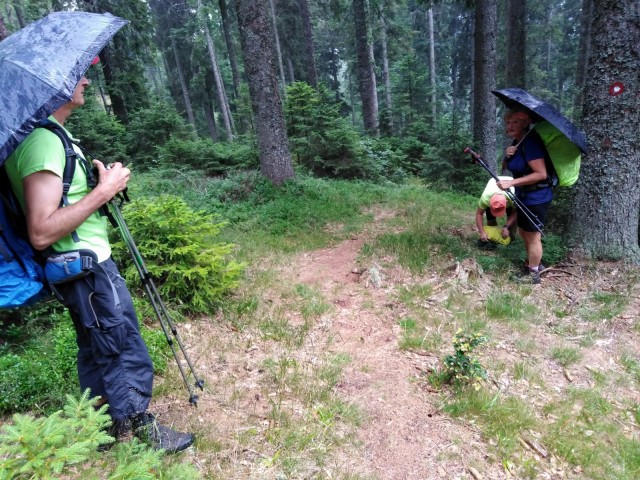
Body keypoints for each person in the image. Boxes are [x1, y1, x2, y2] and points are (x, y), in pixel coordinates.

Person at [4, 70, 195, 453]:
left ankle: (101, 429)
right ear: (51, 85)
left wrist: (97, 186)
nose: (86, 81)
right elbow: (41, 229)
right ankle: (141, 428)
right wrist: (103, 191)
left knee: (95, 346)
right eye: (77, 75)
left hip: (78, 266)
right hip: (85, 267)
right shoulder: (42, 142)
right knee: (120, 343)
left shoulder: (49, 137)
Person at [496, 110, 553, 284]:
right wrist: (508, 155)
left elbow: (541, 174)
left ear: (524, 124)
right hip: (524, 195)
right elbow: (508, 166)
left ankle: (533, 274)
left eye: (514, 122)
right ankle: (534, 264)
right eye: (508, 123)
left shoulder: (531, 143)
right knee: (524, 232)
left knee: (533, 235)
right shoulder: (519, 142)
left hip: (537, 196)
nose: (510, 126)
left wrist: (511, 184)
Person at [475, 176, 517, 248]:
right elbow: (479, 214)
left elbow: (515, 212)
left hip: (510, 184)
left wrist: (507, 227)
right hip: (493, 184)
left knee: (511, 220)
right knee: (490, 220)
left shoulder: (513, 198)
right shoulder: (485, 198)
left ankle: (511, 239)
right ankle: (492, 238)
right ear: (490, 203)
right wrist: (482, 232)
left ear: (506, 202)